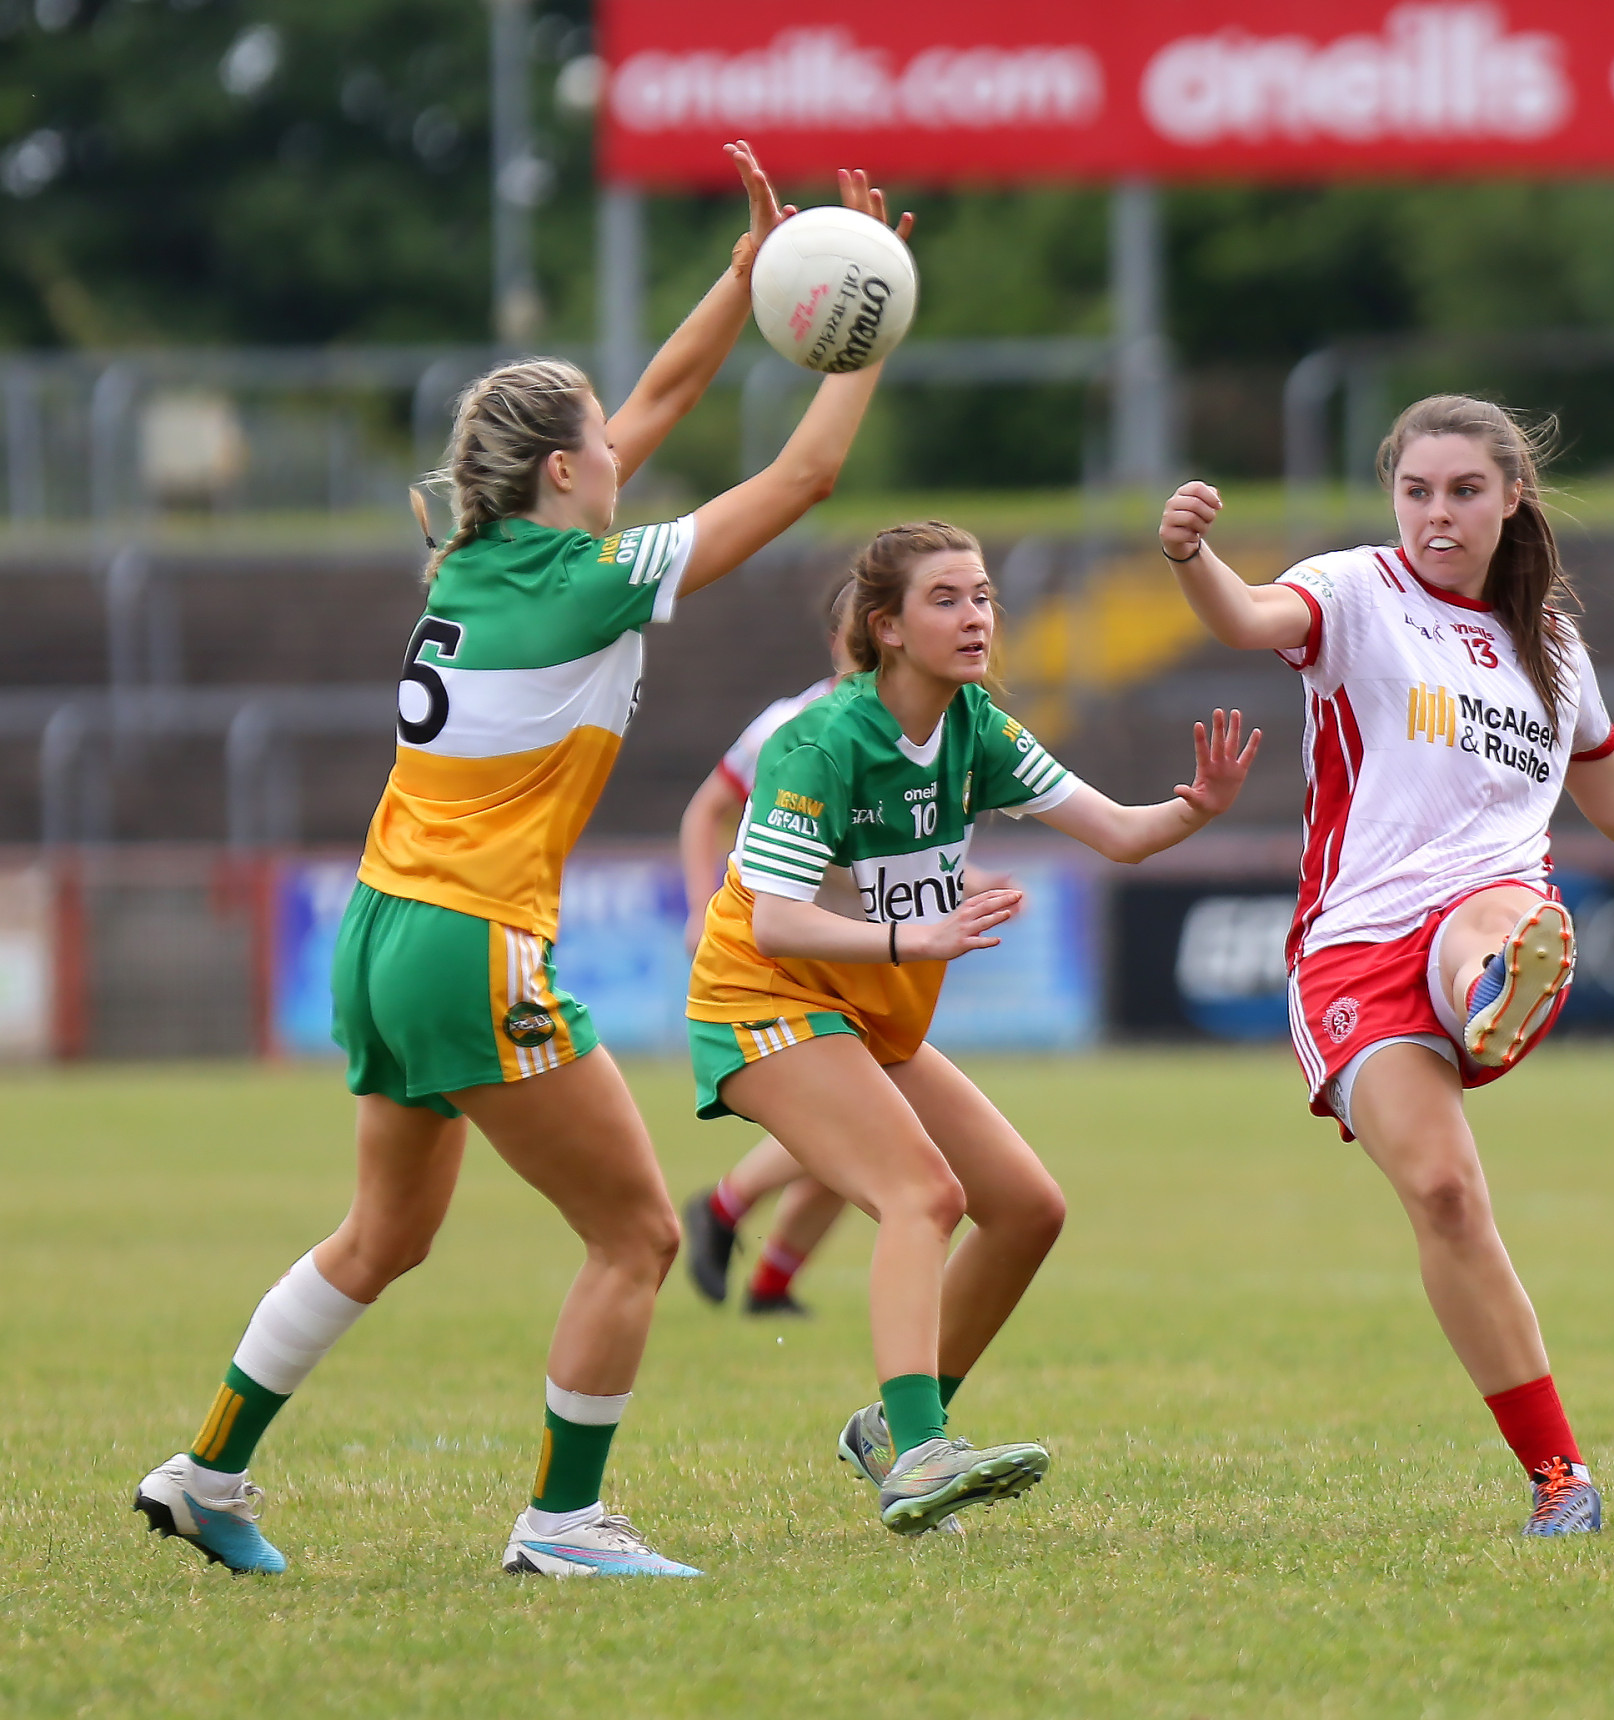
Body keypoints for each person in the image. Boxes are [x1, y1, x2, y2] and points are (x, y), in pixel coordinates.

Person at [132, 148, 907, 1579]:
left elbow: (659, 402)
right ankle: (565, 1523)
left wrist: (744, 281)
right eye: (599, 447)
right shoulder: (588, 579)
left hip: (378, 929)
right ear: (566, 474)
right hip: (470, 938)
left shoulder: (475, 554)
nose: (626, 446)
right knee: (633, 1236)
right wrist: (866, 321)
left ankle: (208, 1471)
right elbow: (806, 474)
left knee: (383, 1236)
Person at [1158, 394, 1614, 1536]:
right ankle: (1555, 1472)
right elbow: (1248, 616)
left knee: (1498, 916)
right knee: (1447, 1195)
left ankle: (1488, 991)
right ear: (1392, 499)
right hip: (1354, 949)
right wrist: (1192, 557)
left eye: (1464, 490)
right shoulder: (1357, 590)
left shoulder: (1553, 649)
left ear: (1512, 499)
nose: (1437, 513)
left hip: (1495, 903)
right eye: (1417, 490)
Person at [685, 520, 1261, 1535]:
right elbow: (771, 922)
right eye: (947, 598)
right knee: (924, 1192)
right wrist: (916, 936)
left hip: (868, 1015)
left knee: (1028, 1208)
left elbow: (1122, 831)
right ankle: (917, 1456)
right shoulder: (819, 740)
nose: (977, 616)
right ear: (888, 629)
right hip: (759, 1000)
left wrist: (1196, 809)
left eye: (984, 595)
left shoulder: (977, 728)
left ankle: (895, 1428)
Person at [677, 580, 859, 1316]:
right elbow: (708, 810)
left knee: (863, 1136)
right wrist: (699, 906)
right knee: (865, 1126)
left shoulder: (934, 725)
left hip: (876, 955)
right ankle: (725, 1208)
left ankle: (771, 1279)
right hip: (800, 950)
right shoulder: (796, 724)